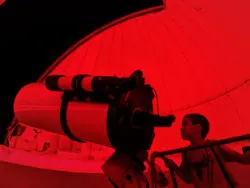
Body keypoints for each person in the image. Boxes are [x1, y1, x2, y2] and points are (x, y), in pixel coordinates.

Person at [154, 113, 250, 188]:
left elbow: (242, 159)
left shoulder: (213, 146)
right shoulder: (186, 153)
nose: (181, 128)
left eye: (185, 124)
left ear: (198, 128)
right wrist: (174, 167)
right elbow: (188, 178)